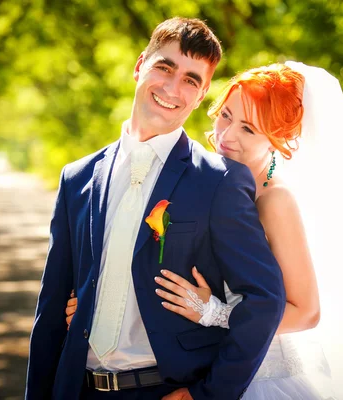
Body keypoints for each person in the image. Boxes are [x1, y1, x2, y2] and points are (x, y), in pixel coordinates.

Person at [67, 62, 343, 399]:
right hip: (197, 366)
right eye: (226, 115)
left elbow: (307, 312)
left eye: (248, 128)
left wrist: (213, 313)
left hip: (260, 376)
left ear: (279, 139)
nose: (226, 134)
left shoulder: (275, 202)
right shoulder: (201, 180)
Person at [26, 17, 286, 400]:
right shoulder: (76, 178)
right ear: (139, 66)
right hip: (78, 389)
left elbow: (265, 300)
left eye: (191, 80)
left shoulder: (219, 181)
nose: (172, 87)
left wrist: (208, 395)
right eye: (164, 67)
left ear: (199, 98)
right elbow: (50, 310)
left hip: (160, 390)